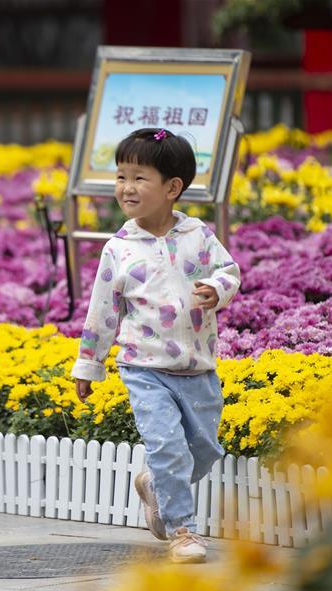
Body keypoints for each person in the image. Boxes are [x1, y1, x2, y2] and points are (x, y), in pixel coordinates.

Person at [72, 127, 241, 564]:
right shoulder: (119, 249)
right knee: (167, 448)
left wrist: (216, 288)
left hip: (198, 367)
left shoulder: (199, 235)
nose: (126, 187)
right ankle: (182, 530)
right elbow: (103, 313)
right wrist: (89, 366)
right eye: (121, 176)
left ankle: (152, 484)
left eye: (139, 177)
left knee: (203, 452)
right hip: (144, 368)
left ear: (172, 188)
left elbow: (230, 269)